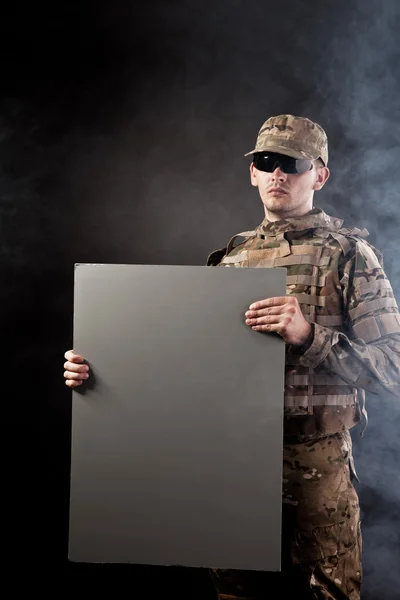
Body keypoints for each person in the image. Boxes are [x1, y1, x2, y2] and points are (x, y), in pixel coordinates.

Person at [63, 115, 400, 599]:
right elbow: (182, 372)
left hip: (315, 471)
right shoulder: (228, 263)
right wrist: (100, 374)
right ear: (253, 172)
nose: (278, 173)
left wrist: (310, 336)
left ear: (319, 175)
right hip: (230, 467)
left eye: (293, 162)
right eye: (266, 161)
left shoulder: (349, 256)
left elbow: (394, 368)